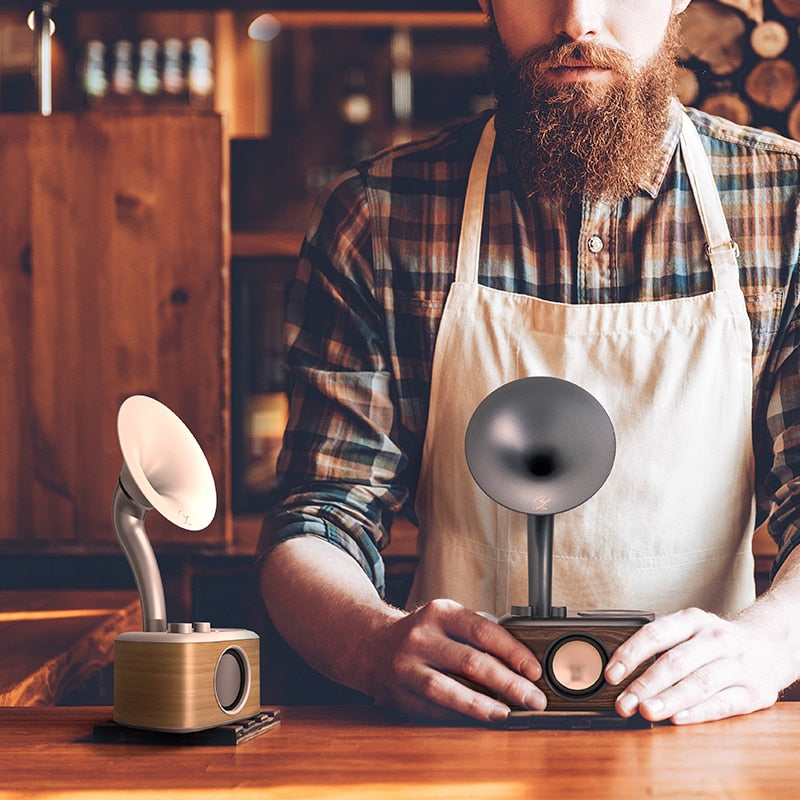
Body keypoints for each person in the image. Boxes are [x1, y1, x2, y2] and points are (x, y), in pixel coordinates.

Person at [258, 0, 800, 725]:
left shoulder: (786, 207)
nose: (576, 19)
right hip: (459, 737)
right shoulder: (376, 216)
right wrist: (370, 644)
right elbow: (318, 514)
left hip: (706, 739)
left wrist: (767, 649)